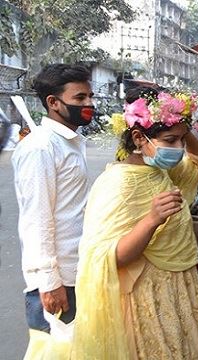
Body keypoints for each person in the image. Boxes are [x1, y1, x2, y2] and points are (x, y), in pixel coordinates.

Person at [71, 92, 198, 359]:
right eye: (170, 141)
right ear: (139, 138)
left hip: (180, 290)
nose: (179, 149)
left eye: (182, 141)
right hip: (147, 297)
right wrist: (151, 221)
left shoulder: (161, 170)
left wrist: (183, 126)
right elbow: (108, 257)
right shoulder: (117, 185)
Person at [11, 64, 94, 332]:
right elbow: (36, 219)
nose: (89, 104)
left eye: (89, 96)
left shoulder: (70, 141)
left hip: (77, 270)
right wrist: (49, 281)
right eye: (80, 98)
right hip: (57, 281)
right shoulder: (41, 147)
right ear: (53, 102)